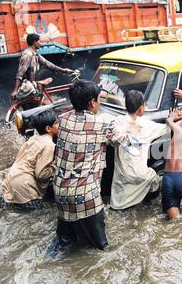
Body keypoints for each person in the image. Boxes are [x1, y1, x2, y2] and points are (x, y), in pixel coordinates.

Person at [52, 80, 128, 251]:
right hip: (86, 194)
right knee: (100, 249)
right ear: (92, 102)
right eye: (98, 99)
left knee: (64, 245)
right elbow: (119, 141)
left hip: (60, 191)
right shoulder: (102, 124)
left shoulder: (62, 120)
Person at [110, 90, 170, 210]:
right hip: (140, 175)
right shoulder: (147, 125)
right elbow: (167, 128)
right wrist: (173, 118)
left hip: (121, 177)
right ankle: (147, 202)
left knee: (118, 206)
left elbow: (114, 139)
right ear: (141, 108)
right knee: (154, 178)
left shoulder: (118, 121)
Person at [0, 110, 58, 210]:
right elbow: (41, 175)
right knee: (37, 217)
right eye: (56, 123)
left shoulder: (33, 139)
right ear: (48, 128)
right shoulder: (49, 145)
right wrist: (56, 166)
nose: (59, 125)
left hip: (9, 181)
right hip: (24, 186)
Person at [11, 33, 74, 101]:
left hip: (33, 85)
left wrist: (64, 70)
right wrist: (15, 90)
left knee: (40, 101)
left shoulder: (35, 55)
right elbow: (20, 73)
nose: (41, 43)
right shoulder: (27, 55)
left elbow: (48, 64)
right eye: (40, 41)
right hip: (28, 86)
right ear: (35, 42)